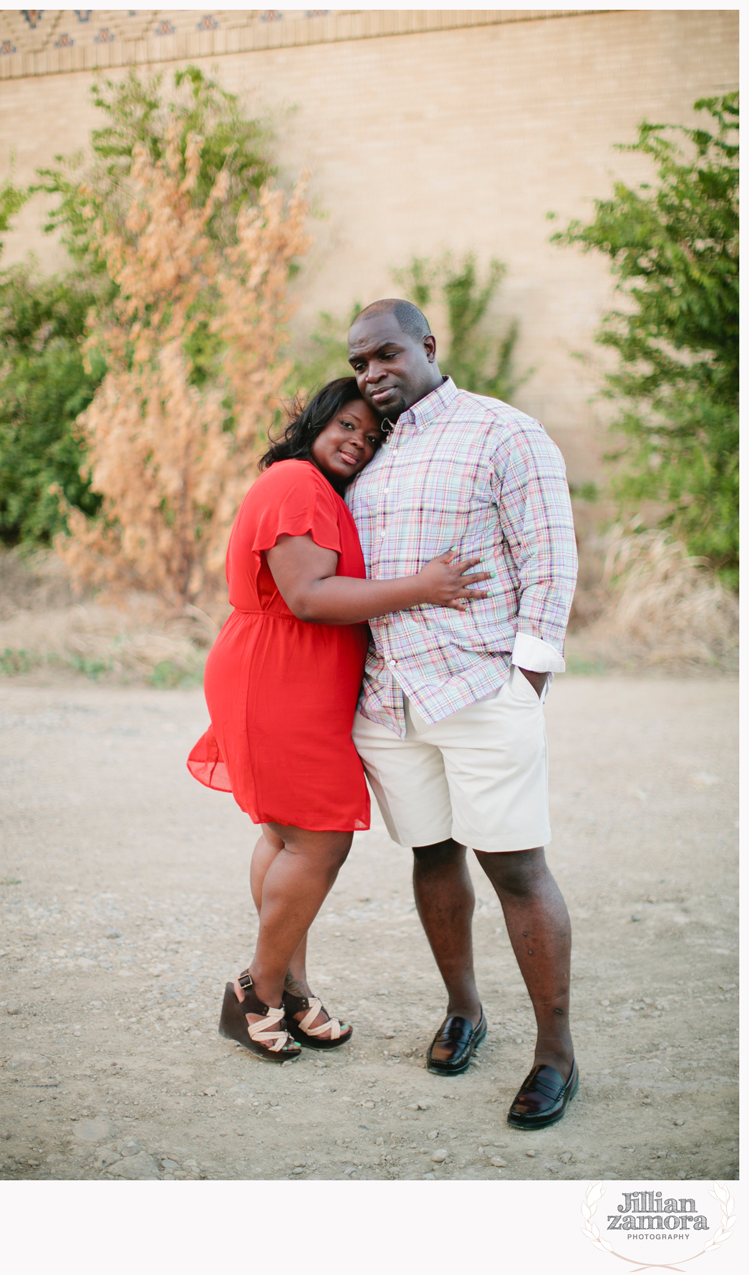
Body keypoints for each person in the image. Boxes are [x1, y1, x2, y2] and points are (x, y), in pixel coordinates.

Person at [187, 377, 490, 1063]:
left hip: (296, 680)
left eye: (372, 434)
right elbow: (309, 596)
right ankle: (255, 995)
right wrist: (425, 586)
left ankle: (292, 989)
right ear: (315, 420)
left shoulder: (323, 491)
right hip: (275, 677)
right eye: (347, 426)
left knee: (287, 832)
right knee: (319, 838)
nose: (359, 441)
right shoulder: (295, 480)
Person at [345, 299, 579, 1129]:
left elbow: (550, 563)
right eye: (359, 364)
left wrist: (525, 685)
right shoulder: (364, 452)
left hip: (481, 691)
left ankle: (555, 1053)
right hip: (390, 699)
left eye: (384, 355)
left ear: (427, 346)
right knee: (432, 856)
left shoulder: (503, 432)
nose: (371, 373)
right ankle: (464, 1010)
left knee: (515, 868)